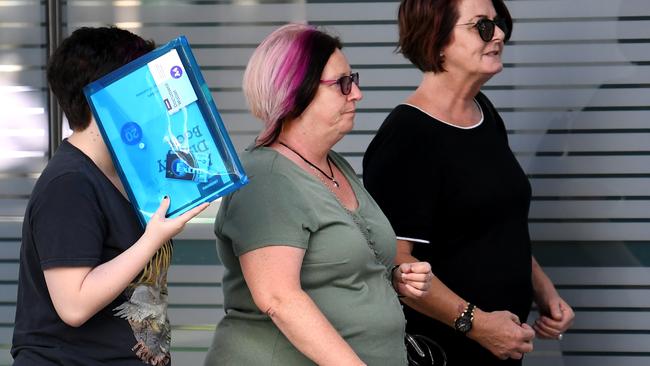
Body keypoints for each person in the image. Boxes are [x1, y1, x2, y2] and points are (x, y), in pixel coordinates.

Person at [203, 23, 433, 366]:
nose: (357, 93)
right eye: (343, 84)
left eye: (353, 80)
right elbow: (278, 297)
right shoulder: (266, 177)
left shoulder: (332, 164)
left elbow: (335, 264)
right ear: (297, 91)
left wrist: (389, 279)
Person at [362, 0, 575, 365]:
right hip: (446, 351)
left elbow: (497, 222)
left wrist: (543, 289)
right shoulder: (407, 136)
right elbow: (394, 262)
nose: (500, 35)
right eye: (482, 26)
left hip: (502, 346)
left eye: (499, 23)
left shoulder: (483, 112)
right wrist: (478, 326)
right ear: (437, 39)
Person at [11, 27, 209, 366]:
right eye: (140, 85)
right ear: (102, 99)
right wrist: (152, 240)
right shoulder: (69, 183)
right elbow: (73, 305)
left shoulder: (125, 171)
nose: (153, 97)